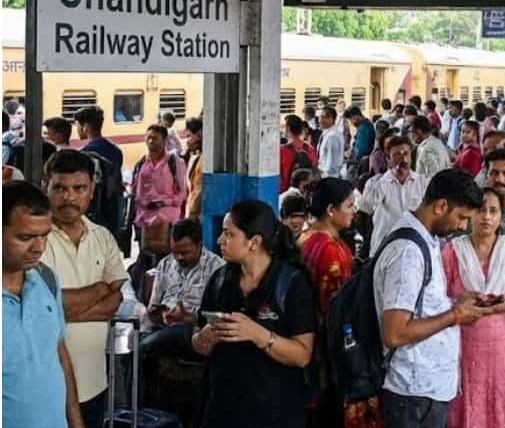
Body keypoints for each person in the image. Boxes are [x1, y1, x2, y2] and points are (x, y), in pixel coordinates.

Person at [374, 169, 492, 428]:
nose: (463, 226)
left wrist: (455, 304)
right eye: (461, 217)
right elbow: (394, 333)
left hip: (425, 387)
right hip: (412, 391)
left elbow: (419, 305)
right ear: (440, 206)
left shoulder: (425, 239)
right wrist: (455, 315)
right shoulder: (408, 252)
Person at [191, 200, 316, 428]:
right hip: (221, 409)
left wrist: (258, 334)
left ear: (254, 242)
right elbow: (198, 343)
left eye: (229, 234)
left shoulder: (290, 284)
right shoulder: (220, 280)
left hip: (274, 412)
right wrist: (206, 337)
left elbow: (302, 355)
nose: (220, 240)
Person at [442, 186, 505, 428]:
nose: (486, 217)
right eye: (480, 210)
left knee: (504, 411)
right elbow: (436, 299)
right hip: (463, 351)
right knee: (467, 408)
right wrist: (461, 303)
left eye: (493, 211)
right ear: (469, 214)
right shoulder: (452, 251)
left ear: (501, 216)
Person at [40, 150, 128, 428]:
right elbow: (41, 306)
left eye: (79, 188)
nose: (69, 197)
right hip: (44, 386)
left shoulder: (102, 237)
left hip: (94, 382)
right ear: (46, 187)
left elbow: (116, 300)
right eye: (60, 188)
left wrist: (56, 312)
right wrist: (100, 288)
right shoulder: (33, 241)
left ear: (91, 190)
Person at [3, 180, 85, 428]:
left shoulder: (47, 280)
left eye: (44, 236)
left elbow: (58, 354)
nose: (38, 248)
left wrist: (75, 422)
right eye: (25, 237)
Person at [297, 178, 365, 425]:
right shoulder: (330, 250)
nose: (354, 210)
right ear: (331, 210)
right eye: (349, 205)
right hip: (327, 346)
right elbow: (335, 311)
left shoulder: (305, 238)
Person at [141, 218, 223, 385]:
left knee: (144, 348)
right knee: (135, 347)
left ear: (199, 245)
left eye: (184, 252)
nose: (178, 257)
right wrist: (162, 314)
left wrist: (189, 316)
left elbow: (218, 318)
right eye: (174, 251)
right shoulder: (166, 263)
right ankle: (140, 405)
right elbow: (154, 305)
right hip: (164, 327)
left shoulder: (217, 269)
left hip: (194, 328)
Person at [357, 136, 429, 257]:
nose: (403, 158)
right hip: (383, 248)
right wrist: (388, 177)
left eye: (406, 153)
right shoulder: (376, 183)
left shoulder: (422, 183)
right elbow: (365, 209)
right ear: (388, 158)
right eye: (397, 155)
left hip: (413, 248)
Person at [130, 124, 189, 235]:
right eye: (149, 138)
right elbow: (134, 191)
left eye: (155, 138)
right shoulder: (141, 163)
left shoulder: (175, 163)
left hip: (167, 221)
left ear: (164, 140)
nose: (151, 141)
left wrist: (164, 202)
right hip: (143, 220)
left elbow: (182, 193)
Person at [73, 105, 123, 172]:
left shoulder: (83, 154)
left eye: (77, 125)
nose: (77, 129)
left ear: (85, 127)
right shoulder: (116, 151)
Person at [280, 115, 318, 194]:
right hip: (306, 192)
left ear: (288, 128)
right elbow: (315, 167)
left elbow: (280, 177)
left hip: (287, 192)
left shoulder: (282, 151)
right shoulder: (310, 148)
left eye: (283, 126)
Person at [183, 117, 205, 220]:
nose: (187, 141)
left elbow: (200, 191)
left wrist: (192, 215)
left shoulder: (205, 160)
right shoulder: (196, 157)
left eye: (189, 135)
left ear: (200, 134)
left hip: (197, 215)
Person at [316, 107, 346, 179]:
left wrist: (326, 178)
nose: (319, 120)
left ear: (331, 119)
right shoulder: (326, 133)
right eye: (319, 117)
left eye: (323, 117)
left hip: (329, 177)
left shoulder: (332, 136)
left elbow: (331, 162)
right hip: (324, 174)